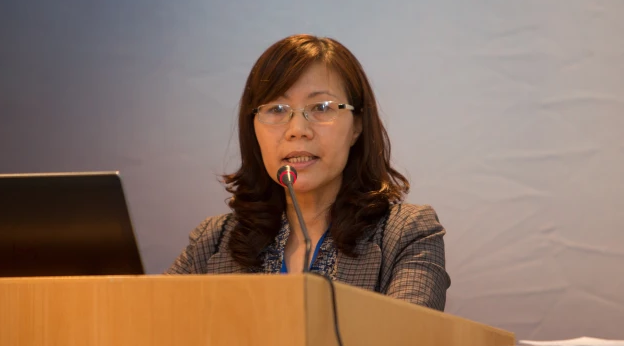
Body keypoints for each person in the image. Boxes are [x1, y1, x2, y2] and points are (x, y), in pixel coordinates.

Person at [166, 34, 450, 310]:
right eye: (277, 109)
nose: (297, 130)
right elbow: (146, 328)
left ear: (357, 126)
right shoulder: (214, 239)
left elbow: (403, 343)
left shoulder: (408, 233)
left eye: (321, 108)